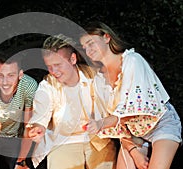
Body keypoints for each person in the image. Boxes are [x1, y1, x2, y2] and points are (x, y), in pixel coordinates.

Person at [79, 21, 182, 169]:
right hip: (134, 133)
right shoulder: (99, 80)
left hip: (161, 122)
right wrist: (135, 153)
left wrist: (101, 123)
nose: (88, 50)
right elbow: (118, 124)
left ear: (106, 37)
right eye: (84, 47)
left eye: (90, 43)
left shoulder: (132, 61)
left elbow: (129, 111)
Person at [27, 34, 117, 169]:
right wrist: (38, 128)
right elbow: (41, 115)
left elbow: (114, 109)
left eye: (58, 65)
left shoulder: (96, 77)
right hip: (63, 142)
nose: (53, 71)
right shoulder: (47, 85)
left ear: (73, 59)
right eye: (49, 66)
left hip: (98, 140)